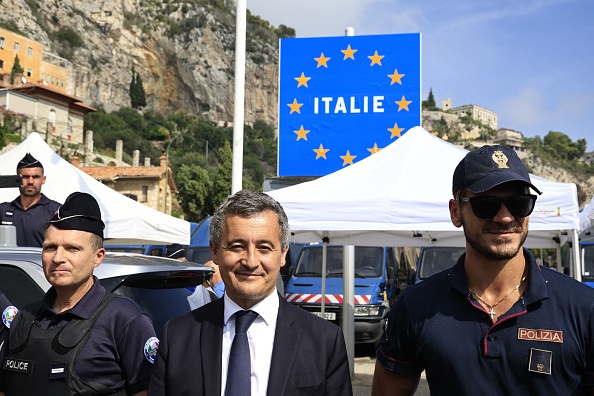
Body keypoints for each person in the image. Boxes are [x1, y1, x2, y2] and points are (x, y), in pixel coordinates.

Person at [372, 145, 594, 395]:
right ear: (456, 212)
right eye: (486, 204)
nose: (505, 217)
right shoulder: (416, 305)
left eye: (519, 203)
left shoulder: (583, 307)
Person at [148, 189, 352, 395]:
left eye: (264, 248)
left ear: (283, 254)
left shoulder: (324, 340)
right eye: (237, 246)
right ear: (215, 251)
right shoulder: (177, 336)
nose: (251, 261)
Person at [2, 192, 158, 396]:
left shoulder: (124, 320)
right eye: (50, 247)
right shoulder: (25, 317)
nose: (58, 257)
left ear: (97, 257)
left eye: (72, 248)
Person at [0, 153, 61, 247]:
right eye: (25, 177)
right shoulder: (3, 210)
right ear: (17, 179)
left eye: (35, 177)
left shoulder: (55, 210)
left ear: (43, 180)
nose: (30, 182)